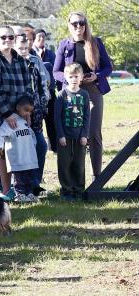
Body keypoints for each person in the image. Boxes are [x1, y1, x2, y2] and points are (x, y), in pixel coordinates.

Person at [52, 11, 113, 179]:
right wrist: (71, 79)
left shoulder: (96, 42)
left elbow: (108, 67)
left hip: (93, 90)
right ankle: (72, 180)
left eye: (81, 23)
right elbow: (56, 71)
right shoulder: (64, 45)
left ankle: (97, 177)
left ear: (86, 25)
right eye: (74, 23)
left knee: (93, 133)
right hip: (71, 92)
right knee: (72, 134)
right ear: (69, 26)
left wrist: (97, 75)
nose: (78, 26)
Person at [0, 26, 31, 200]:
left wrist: (25, 110)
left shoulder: (19, 59)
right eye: (3, 37)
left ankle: (6, 189)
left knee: (8, 150)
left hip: (17, 112)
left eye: (11, 37)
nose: (7, 40)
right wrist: (7, 113)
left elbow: (27, 87)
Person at [15, 32, 50, 191]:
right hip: (17, 111)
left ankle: (36, 182)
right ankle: (19, 184)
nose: (23, 50)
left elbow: (44, 84)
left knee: (40, 145)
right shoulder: (12, 62)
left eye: (25, 47)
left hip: (36, 111)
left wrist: (42, 105)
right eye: (20, 47)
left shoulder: (35, 61)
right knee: (21, 148)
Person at [54, 63, 91, 199]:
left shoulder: (84, 95)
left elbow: (87, 116)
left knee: (79, 163)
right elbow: (57, 118)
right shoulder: (61, 95)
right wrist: (61, 135)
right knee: (64, 164)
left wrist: (84, 135)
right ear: (65, 77)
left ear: (81, 77)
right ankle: (67, 190)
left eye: (76, 76)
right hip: (65, 137)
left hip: (80, 137)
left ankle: (79, 189)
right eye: (71, 76)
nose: (74, 79)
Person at [0, 94, 40, 202]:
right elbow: (1, 134)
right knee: (19, 177)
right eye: (26, 110)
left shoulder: (25, 122)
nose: (28, 113)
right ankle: (19, 194)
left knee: (29, 176)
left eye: (30, 112)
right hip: (17, 157)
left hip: (28, 157)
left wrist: (33, 144)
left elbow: (32, 135)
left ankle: (28, 193)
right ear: (18, 107)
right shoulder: (11, 121)